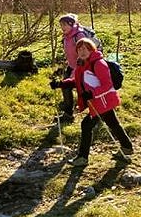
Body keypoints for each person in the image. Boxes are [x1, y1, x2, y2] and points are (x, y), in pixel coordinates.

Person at [51, 37, 134, 166]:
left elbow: (107, 85)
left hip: (102, 101)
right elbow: (77, 82)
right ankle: (127, 147)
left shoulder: (99, 64)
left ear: (92, 49)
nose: (82, 51)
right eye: (79, 49)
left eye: (85, 48)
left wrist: (92, 93)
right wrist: (61, 84)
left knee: (86, 125)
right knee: (113, 123)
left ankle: (82, 158)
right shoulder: (82, 64)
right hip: (96, 101)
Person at [53, 13, 88, 124]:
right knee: (65, 87)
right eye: (61, 25)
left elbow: (85, 54)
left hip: (82, 67)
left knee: (84, 90)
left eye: (65, 25)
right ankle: (68, 115)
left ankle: (98, 112)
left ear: (71, 24)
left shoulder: (79, 36)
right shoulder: (67, 36)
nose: (62, 28)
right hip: (71, 66)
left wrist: (77, 70)